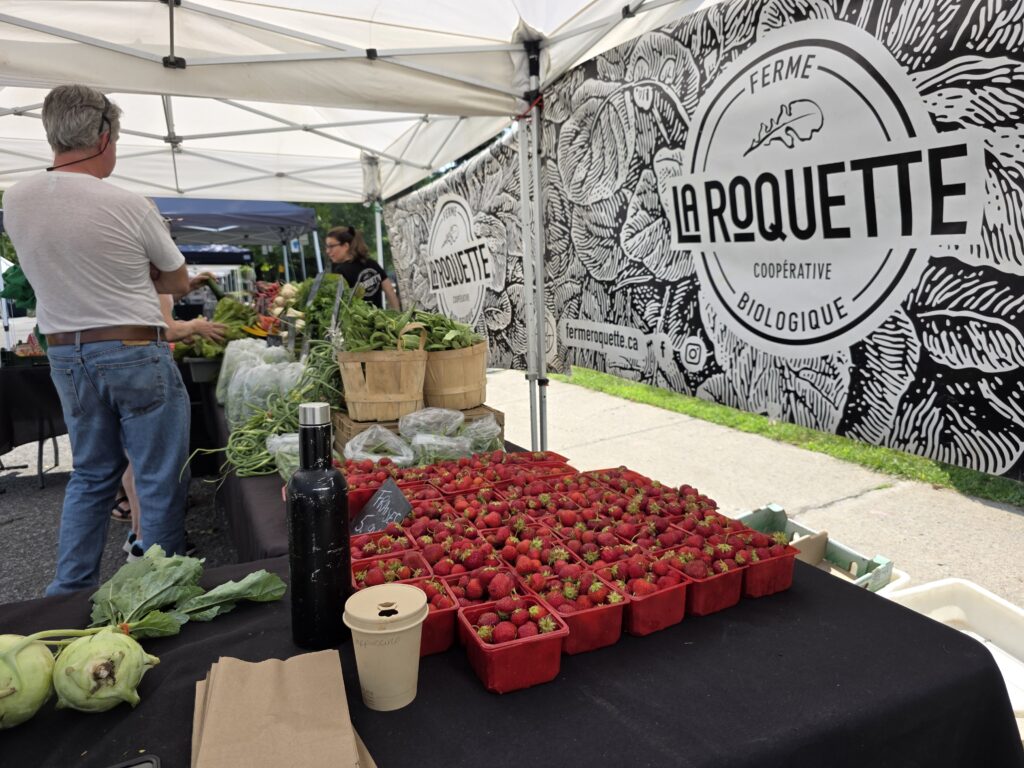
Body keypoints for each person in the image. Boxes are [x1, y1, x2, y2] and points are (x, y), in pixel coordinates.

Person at [3, 84, 208, 595]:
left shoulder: (17, 198)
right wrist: (143, 275)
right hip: (134, 347)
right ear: (103, 136)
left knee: (92, 476)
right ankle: (156, 592)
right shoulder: (129, 204)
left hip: (67, 354)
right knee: (158, 479)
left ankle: (67, 595)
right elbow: (179, 282)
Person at [119, 291, 226, 560]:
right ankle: (155, 552)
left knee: (136, 464)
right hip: (143, 369)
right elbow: (160, 330)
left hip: (118, 367)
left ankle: (138, 536)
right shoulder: (146, 278)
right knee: (158, 469)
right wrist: (194, 326)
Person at [325, 226, 400, 309]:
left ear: (346, 246)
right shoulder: (372, 263)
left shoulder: (341, 272)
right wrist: (397, 316)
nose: (327, 251)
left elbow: (338, 306)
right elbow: (389, 291)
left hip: (358, 321)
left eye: (331, 246)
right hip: (380, 319)